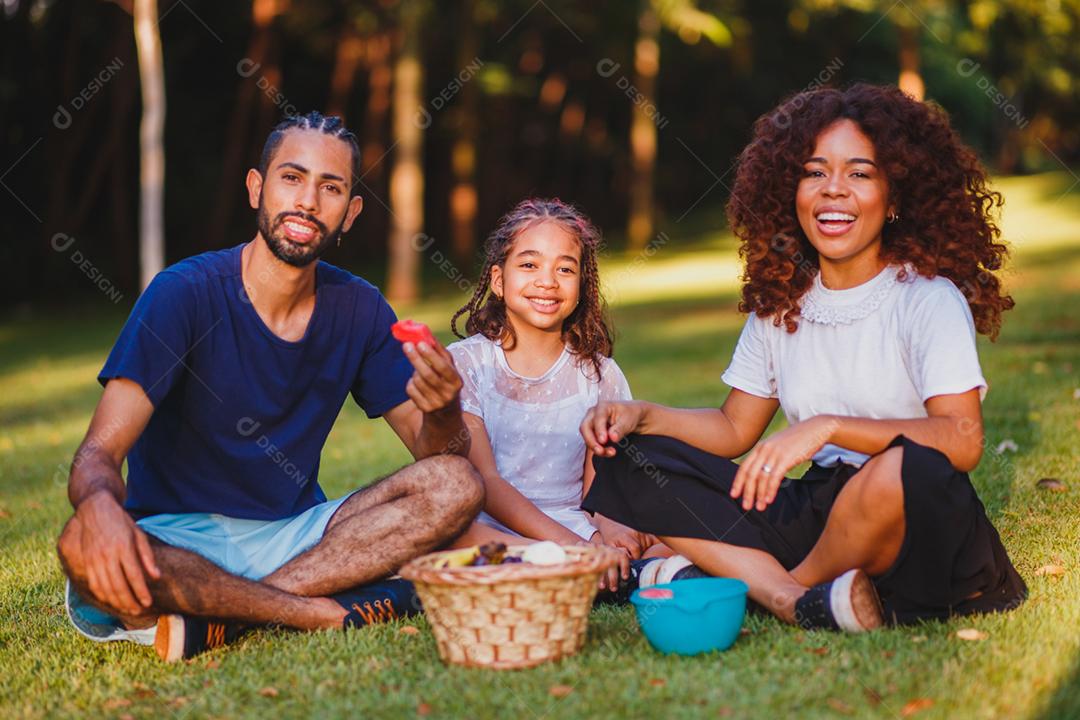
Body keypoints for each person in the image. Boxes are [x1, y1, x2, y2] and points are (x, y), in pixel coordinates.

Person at [580, 83, 1027, 630]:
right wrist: (642, 416)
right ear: (787, 189)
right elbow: (731, 427)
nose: (833, 191)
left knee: (904, 469)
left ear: (897, 198)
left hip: (907, 510)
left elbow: (962, 440)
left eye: (859, 174)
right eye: (815, 172)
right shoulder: (781, 303)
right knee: (631, 454)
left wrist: (827, 427)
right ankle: (795, 599)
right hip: (815, 510)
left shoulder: (927, 298)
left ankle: (766, 585)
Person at [55, 112, 484, 662]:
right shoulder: (183, 292)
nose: (308, 201)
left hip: (298, 536)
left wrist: (445, 409)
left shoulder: (359, 307)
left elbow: (436, 458)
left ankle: (228, 618)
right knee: (78, 545)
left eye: (331, 188)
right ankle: (314, 607)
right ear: (257, 187)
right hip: (176, 540)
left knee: (456, 485)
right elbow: (99, 450)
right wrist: (97, 506)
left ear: (350, 213)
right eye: (291, 178)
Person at [444, 198, 681, 593]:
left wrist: (609, 529)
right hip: (493, 529)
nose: (548, 281)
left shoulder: (599, 375)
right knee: (447, 534)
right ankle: (577, 568)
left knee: (672, 526)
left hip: (574, 521)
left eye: (565, 269)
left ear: (581, 285)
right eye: (529, 265)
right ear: (499, 281)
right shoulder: (468, 364)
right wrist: (577, 546)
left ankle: (628, 570)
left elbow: (597, 487)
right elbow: (485, 482)